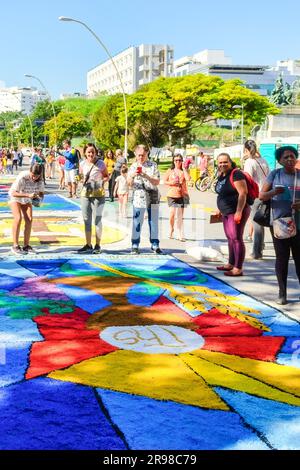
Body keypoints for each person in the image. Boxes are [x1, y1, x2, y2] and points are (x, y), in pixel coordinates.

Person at [260, 146, 300, 305]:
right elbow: (261, 196)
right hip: (279, 224)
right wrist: (274, 193)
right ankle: (282, 293)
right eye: (286, 157)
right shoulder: (274, 174)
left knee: (299, 260)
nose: (290, 159)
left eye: (292, 156)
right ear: (279, 161)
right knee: (282, 260)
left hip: (298, 225)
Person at [214, 153, 251, 276]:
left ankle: (238, 268)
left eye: (225, 162)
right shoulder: (222, 175)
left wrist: (239, 211)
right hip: (226, 212)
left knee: (236, 238)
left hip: (236, 211)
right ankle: (230, 263)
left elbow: (243, 193)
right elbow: (222, 194)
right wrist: (219, 209)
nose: (222, 164)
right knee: (230, 238)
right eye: (220, 162)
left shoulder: (236, 174)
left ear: (230, 162)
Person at [128, 144, 162, 254]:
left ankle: (155, 244)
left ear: (147, 153)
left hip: (152, 195)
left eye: (143, 155)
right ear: (135, 155)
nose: (141, 157)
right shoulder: (133, 166)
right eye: (139, 155)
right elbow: (129, 184)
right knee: (137, 221)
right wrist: (133, 175)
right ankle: (135, 244)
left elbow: (157, 182)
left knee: (153, 221)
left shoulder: (153, 165)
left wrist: (145, 175)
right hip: (138, 196)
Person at [77, 143, 109, 254]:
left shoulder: (101, 163)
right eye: (89, 152)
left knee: (98, 220)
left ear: (95, 152)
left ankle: (98, 245)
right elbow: (80, 176)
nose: (91, 154)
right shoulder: (82, 164)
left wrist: (101, 182)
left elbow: (107, 176)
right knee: (86, 220)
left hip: (98, 195)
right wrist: (81, 179)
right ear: (85, 153)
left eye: (93, 152)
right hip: (85, 194)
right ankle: (88, 244)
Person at [8, 163, 44, 255]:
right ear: (30, 171)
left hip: (27, 199)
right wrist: (28, 195)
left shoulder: (40, 181)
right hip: (16, 198)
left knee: (29, 219)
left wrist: (39, 200)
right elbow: (13, 193)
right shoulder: (23, 176)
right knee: (18, 218)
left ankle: (26, 245)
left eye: (36, 176)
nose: (34, 178)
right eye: (33, 175)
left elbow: (41, 193)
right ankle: (15, 245)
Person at [243, 139, 270, 259]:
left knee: (257, 223)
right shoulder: (263, 160)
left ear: (246, 150)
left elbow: (247, 179)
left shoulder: (249, 162)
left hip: (256, 195)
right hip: (267, 193)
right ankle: (260, 246)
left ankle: (257, 252)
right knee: (262, 221)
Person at [164, 154, 191, 241]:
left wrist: (184, 169)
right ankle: (171, 229)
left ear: (182, 161)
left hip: (182, 195)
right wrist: (172, 182)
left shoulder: (184, 171)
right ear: (173, 161)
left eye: (179, 160)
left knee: (180, 216)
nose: (177, 162)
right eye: (176, 160)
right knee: (172, 213)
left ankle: (180, 234)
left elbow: (188, 179)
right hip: (172, 194)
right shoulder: (170, 170)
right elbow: (164, 181)